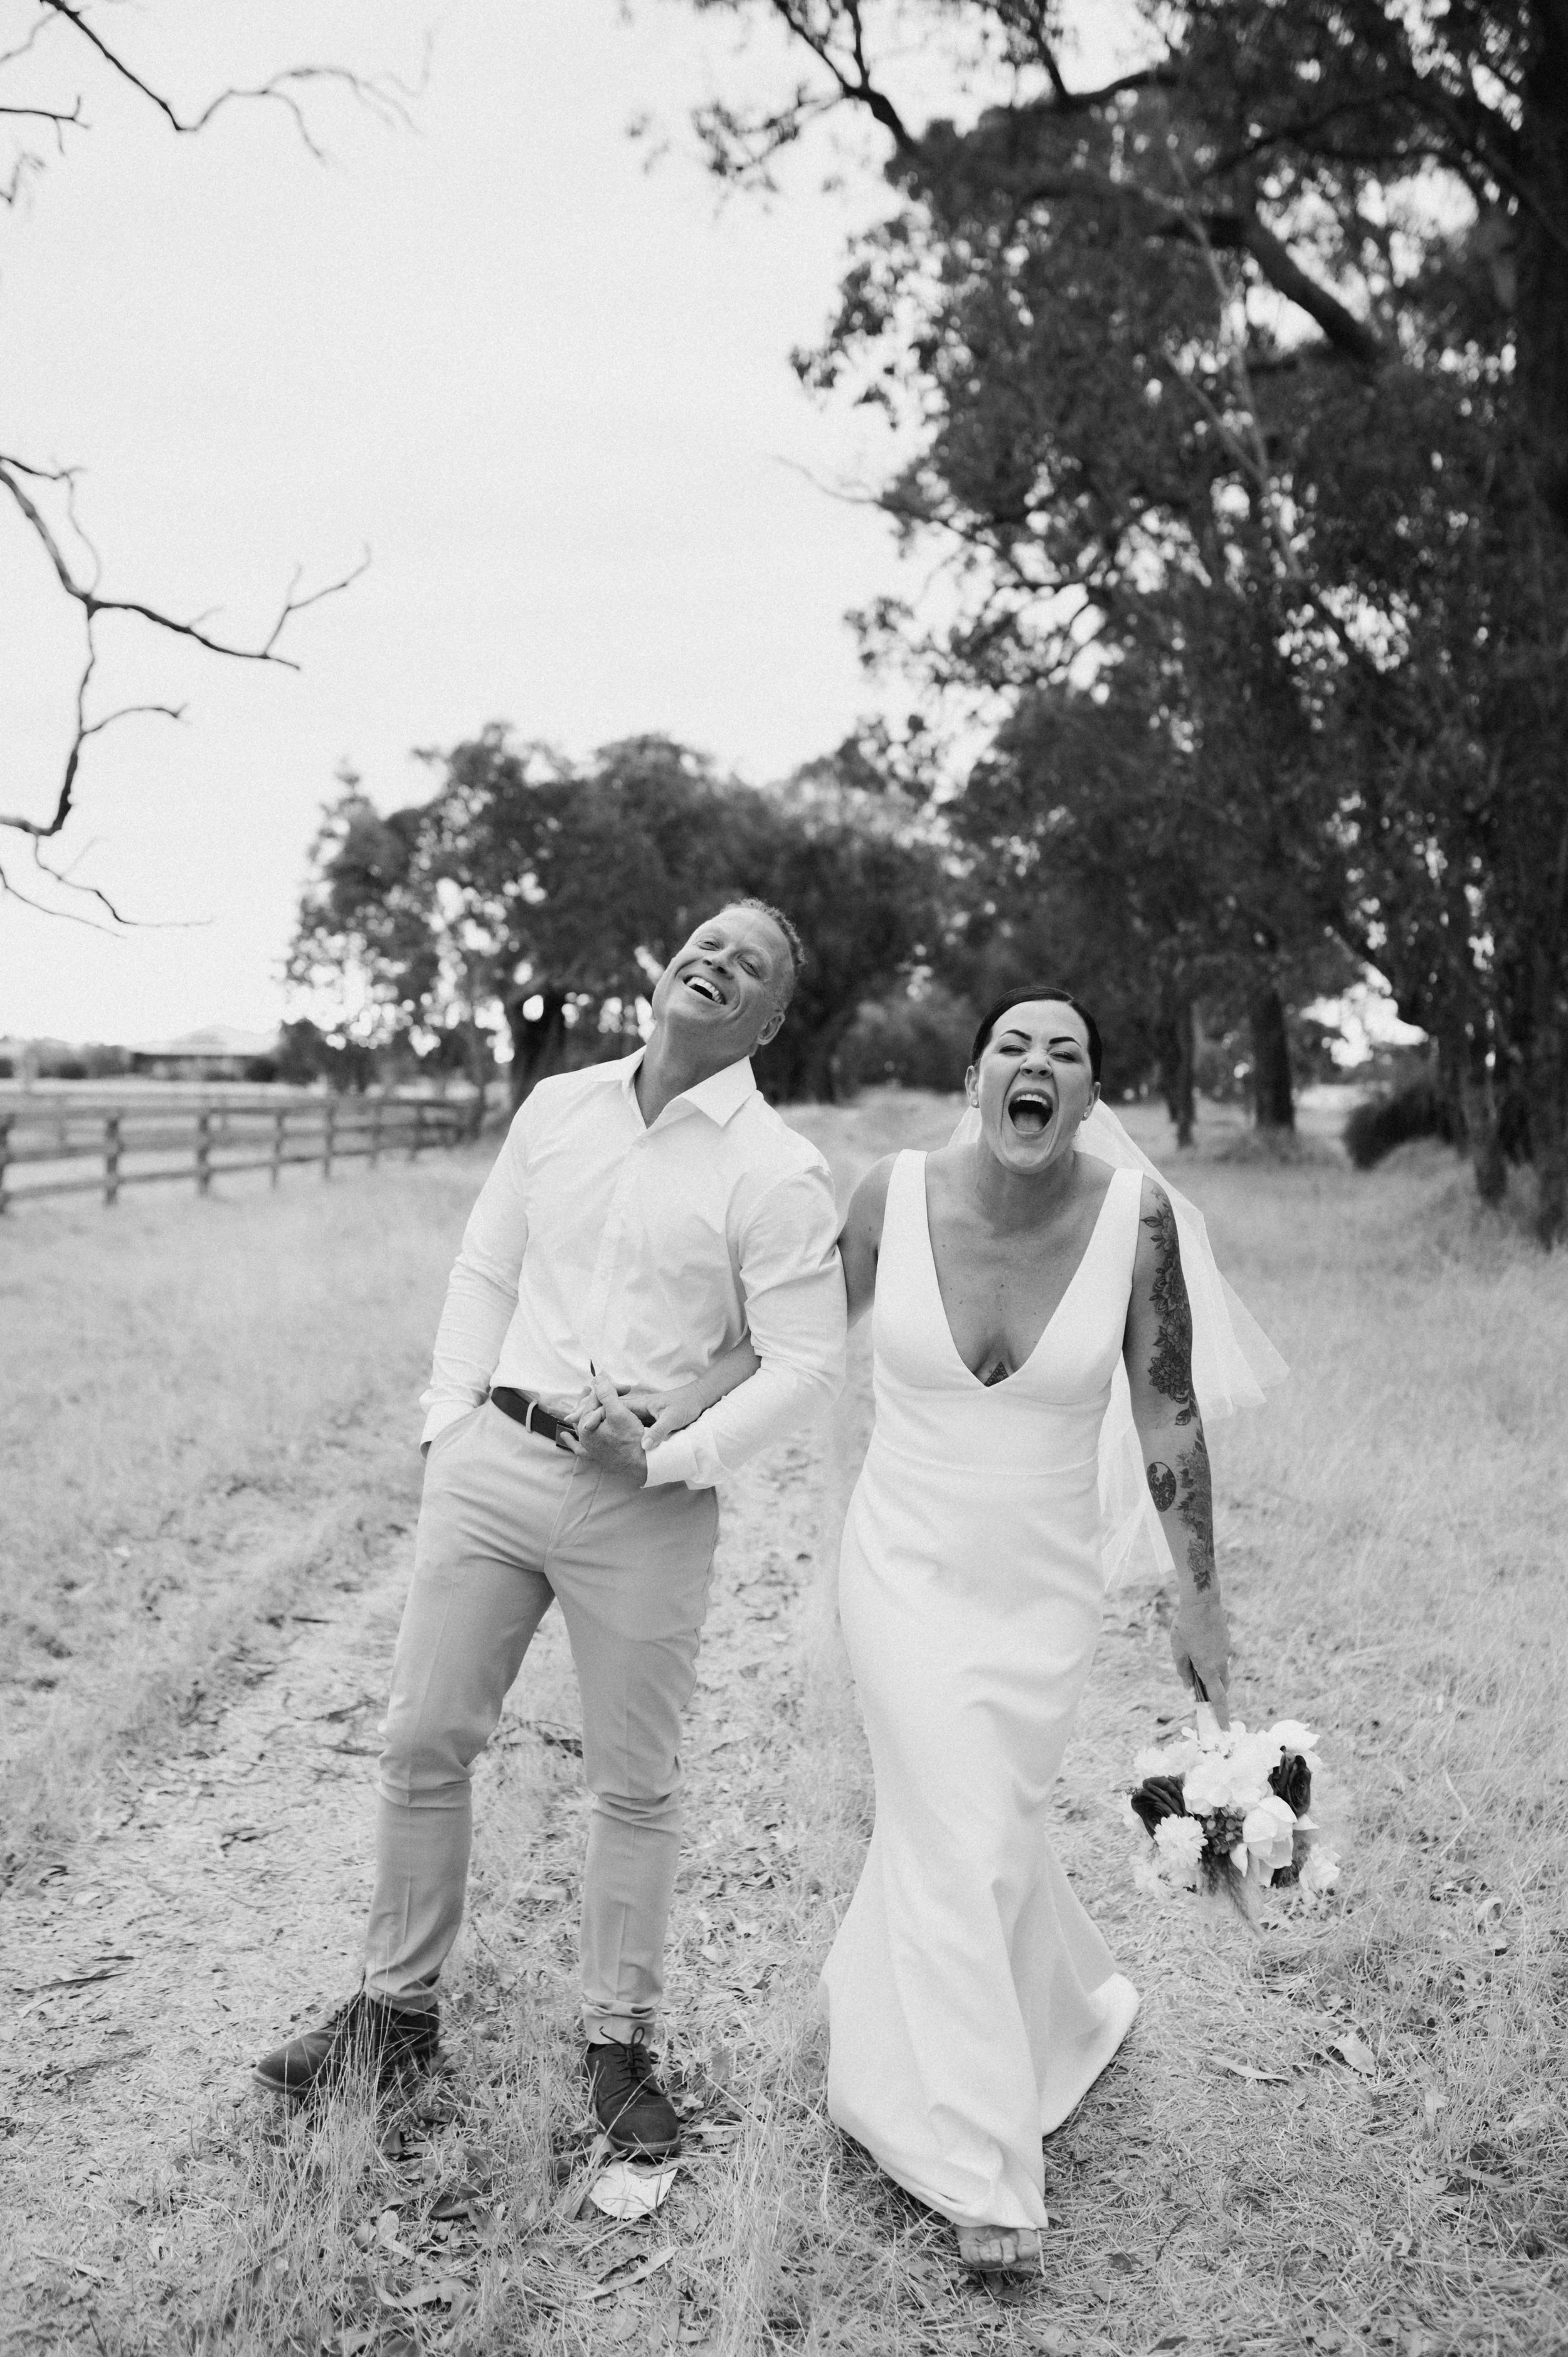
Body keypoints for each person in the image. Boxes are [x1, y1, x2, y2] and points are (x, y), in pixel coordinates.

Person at [253, 900, 847, 2162]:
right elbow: (485, 1268)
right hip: (492, 1463)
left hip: (646, 1505)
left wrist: (674, 1452)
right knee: (421, 1740)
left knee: (632, 1786)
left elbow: (803, 1364)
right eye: (704, 942)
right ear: (666, 962)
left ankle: (618, 2045)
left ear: (770, 1019)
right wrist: (443, 1423)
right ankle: (394, 2017)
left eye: (750, 965)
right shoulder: (556, 1108)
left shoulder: (775, 1171)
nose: (715, 963)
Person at [820, 984, 1279, 2275]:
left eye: (1065, 1053)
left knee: (976, 1830)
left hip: (1040, 1590)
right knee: (959, 1835)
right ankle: (983, 2176)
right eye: (1012, 1047)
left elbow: (1167, 1415)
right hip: (899, 1569)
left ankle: (1061, 2014)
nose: (1036, 1066)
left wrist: (1197, 1598)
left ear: (1089, 1096)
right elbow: (789, 1338)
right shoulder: (884, 1199)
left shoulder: (1131, 1224)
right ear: (974, 1077)